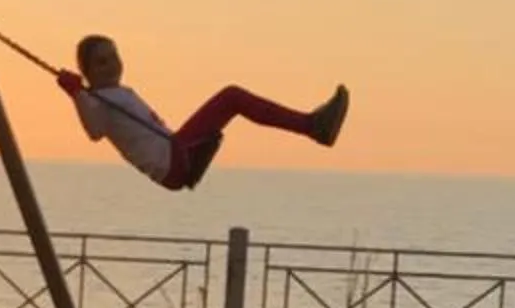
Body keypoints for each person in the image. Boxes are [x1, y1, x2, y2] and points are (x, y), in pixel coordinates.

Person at [54, 34, 349, 191]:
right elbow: (94, 131)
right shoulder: (100, 100)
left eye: (115, 56)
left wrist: (79, 93)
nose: (114, 64)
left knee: (233, 99)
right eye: (103, 62)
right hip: (174, 159)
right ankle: (312, 126)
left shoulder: (113, 94)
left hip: (176, 155)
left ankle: (312, 126)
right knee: (232, 97)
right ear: (88, 71)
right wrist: (76, 93)